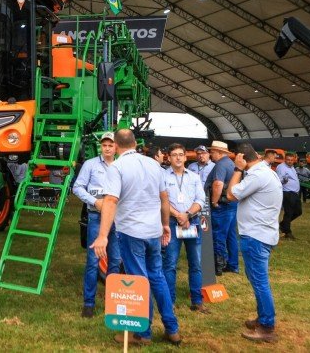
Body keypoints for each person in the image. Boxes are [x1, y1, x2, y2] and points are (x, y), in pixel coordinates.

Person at [92, 129, 181, 346]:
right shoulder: (154, 164)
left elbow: (111, 201)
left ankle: (143, 333)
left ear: (116, 145)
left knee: (140, 282)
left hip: (132, 232)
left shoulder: (117, 167)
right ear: (134, 142)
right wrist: (165, 225)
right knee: (157, 278)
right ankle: (173, 329)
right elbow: (164, 198)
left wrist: (103, 235)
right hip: (154, 231)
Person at [227, 143, 283, 343]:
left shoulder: (257, 175)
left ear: (241, 157)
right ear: (257, 155)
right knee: (257, 280)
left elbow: (231, 194)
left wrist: (237, 169)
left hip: (256, 236)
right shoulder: (264, 172)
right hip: (262, 234)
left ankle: (267, 327)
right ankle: (262, 318)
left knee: (260, 282)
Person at [72, 131, 120, 319]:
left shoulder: (121, 165)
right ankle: (89, 303)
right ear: (101, 146)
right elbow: (77, 187)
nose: (107, 148)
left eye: (110, 145)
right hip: (96, 216)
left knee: (115, 260)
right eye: (104, 145)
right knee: (93, 261)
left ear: (116, 146)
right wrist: (94, 202)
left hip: (117, 218)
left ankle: (113, 301)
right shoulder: (90, 165)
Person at [162, 143, 208, 313]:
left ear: (186, 157)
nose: (178, 157)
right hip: (172, 223)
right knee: (170, 264)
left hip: (192, 222)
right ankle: (169, 302)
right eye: (174, 154)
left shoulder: (194, 177)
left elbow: (200, 199)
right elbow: (162, 201)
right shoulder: (163, 177)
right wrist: (178, 216)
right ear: (169, 157)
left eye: (181, 154)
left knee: (195, 263)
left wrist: (187, 215)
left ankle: (197, 301)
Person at [206, 140, 239, 275]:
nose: (210, 154)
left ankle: (218, 266)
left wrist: (214, 201)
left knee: (218, 235)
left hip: (222, 205)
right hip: (231, 204)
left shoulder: (220, 165)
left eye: (212, 152)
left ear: (219, 153)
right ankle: (233, 264)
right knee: (231, 235)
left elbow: (218, 184)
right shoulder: (231, 164)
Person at [276, 153, 300, 240]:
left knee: (298, 212)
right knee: (289, 213)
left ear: (294, 160)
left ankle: (283, 225)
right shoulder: (281, 167)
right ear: (285, 159)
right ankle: (287, 232)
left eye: (291, 160)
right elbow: (279, 180)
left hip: (294, 193)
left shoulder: (292, 167)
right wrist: (284, 180)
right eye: (288, 160)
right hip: (287, 192)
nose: (290, 161)